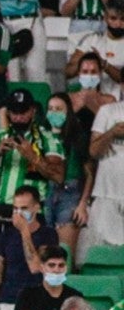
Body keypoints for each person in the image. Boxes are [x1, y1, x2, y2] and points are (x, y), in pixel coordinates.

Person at [0, 89, 63, 282]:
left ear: (32, 111)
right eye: (14, 111)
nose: (18, 116)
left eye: (23, 111)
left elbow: (58, 176)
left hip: (30, 214)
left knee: (30, 269)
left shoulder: (47, 138)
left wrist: (32, 156)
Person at [48, 88, 96, 260]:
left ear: (68, 111)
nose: (54, 113)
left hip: (70, 195)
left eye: (59, 109)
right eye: (51, 109)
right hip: (45, 193)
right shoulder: (41, 136)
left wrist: (83, 203)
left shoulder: (78, 136)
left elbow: (89, 172)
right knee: (44, 255)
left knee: (64, 256)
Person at [0, 185, 59, 307]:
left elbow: (35, 267)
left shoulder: (48, 234)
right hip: (7, 300)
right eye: (15, 208)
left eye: (24, 208)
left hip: (34, 301)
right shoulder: (7, 234)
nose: (19, 213)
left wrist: (24, 230)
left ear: (36, 207)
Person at [87, 90, 124, 248]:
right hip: (107, 192)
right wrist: (111, 133)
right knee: (105, 249)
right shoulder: (107, 111)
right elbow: (94, 151)